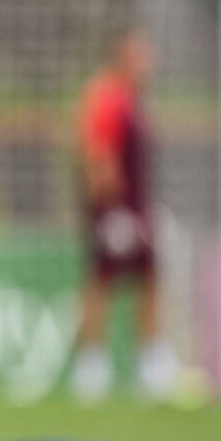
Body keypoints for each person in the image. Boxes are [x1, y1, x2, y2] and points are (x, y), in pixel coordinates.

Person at [70, 28, 176, 401]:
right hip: (116, 208)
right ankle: (91, 367)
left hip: (134, 206)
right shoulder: (107, 95)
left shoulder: (134, 100)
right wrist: (111, 209)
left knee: (149, 278)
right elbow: (97, 153)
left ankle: (151, 362)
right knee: (102, 280)